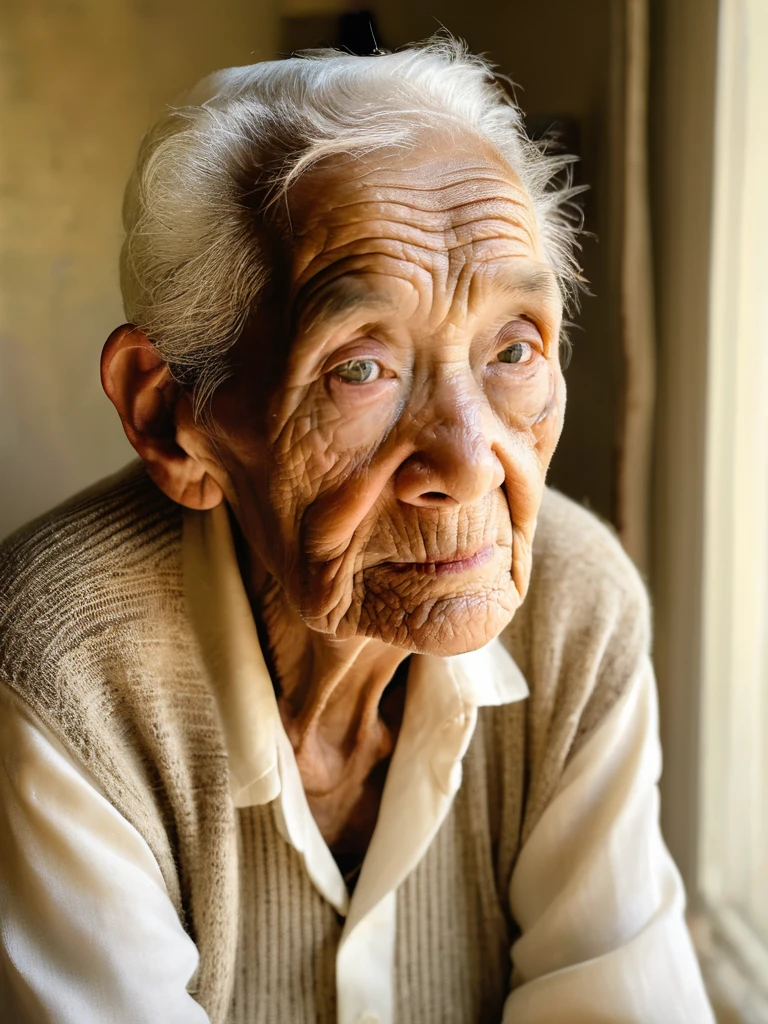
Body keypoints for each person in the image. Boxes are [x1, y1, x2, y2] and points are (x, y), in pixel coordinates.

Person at [0, 37, 714, 1024]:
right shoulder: (61, 666)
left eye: (513, 348)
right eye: (360, 368)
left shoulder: (577, 603)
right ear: (173, 419)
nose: (469, 459)